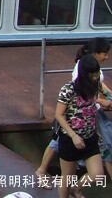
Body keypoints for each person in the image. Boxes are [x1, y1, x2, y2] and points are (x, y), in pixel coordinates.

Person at [35, 38, 112, 189]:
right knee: (58, 141)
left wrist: (107, 93)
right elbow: (80, 91)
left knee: (103, 143)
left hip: (89, 115)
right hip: (76, 116)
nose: (107, 56)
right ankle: (43, 170)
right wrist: (100, 101)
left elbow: (98, 85)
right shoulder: (82, 70)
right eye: (104, 53)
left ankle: (73, 185)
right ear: (95, 52)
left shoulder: (93, 68)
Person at [55, 54, 104, 198]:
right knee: (67, 177)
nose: (96, 77)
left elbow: (93, 105)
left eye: (97, 74)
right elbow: (59, 115)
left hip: (89, 137)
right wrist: (73, 135)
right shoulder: (69, 89)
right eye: (92, 75)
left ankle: (77, 188)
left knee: (97, 174)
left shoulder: (95, 86)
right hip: (70, 139)